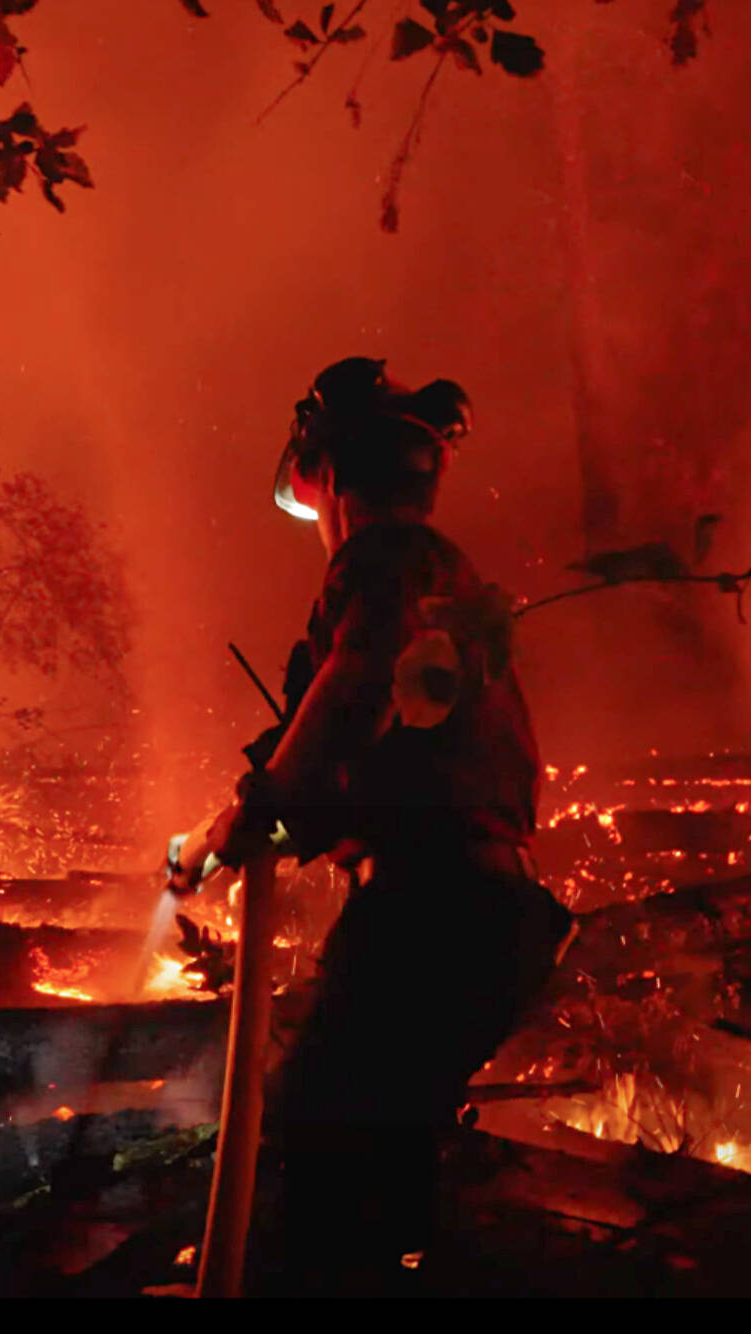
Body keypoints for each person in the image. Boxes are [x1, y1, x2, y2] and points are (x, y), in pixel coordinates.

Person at [168, 357, 573, 1293]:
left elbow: (352, 691)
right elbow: (357, 769)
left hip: (433, 914)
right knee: (377, 1173)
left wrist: (260, 806)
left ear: (328, 476)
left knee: (318, 1148)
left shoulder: (384, 560)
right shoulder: (446, 592)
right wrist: (227, 837)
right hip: (486, 916)